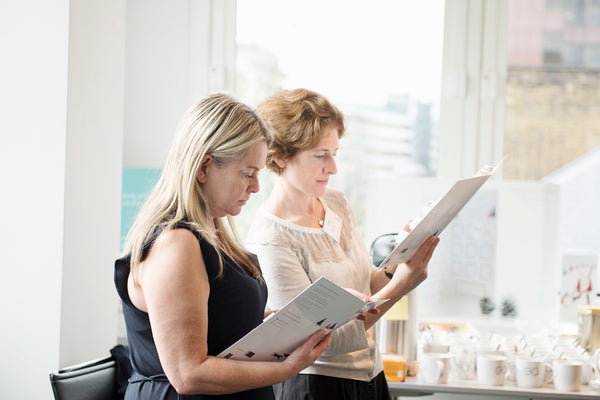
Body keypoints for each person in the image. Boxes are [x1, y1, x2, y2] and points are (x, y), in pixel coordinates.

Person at [114, 93, 334, 400]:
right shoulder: (176, 244)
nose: (256, 186)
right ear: (204, 167)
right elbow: (188, 374)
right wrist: (288, 368)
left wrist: (287, 324)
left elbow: (222, 325)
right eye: (248, 173)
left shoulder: (213, 233)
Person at [245, 88, 440, 400]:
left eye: (335, 153)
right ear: (279, 156)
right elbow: (319, 340)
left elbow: (365, 285)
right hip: (317, 385)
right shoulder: (271, 238)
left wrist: (396, 265)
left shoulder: (335, 203)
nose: (333, 168)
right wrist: (400, 287)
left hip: (371, 375)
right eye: (321, 156)